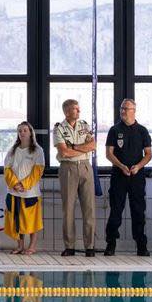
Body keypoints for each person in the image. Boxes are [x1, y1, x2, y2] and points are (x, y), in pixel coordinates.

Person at [104, 99, 152, 257]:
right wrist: (121, 166)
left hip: (136, 176)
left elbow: (148, 154)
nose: (123, 111)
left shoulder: (142, 131)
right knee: (116, 210)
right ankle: (111, 243)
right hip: (119, 175)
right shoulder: (114, 130)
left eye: (126, 108)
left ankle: (141, 245)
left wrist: (138, 166)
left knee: (138, 211)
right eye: (121, 108)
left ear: (134, 111)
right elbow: (109, 153)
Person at [53, 99, 97, 257]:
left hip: (85, 166)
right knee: (68, 209)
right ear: (66, 112)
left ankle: (89, 246)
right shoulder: (59, 128)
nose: (79, 111)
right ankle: (69, 246)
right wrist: (82, 149)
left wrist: (75, 147)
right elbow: (64, 152)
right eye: (75, 109)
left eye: (78, 108)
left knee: (89, 208)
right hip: (68, 168)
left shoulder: (84, 125)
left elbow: (93, 146)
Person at [3, 122, 45, 255]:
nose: (22, 133)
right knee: (16, 220)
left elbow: (38, 171)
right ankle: (20, 246)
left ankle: (32, 246)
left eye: (25, 130)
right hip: (14, 192)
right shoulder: (13, 150)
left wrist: (24, 184)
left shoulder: (37, 150)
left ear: (31, 132)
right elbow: (7, 169)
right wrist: (14, 183)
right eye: (20, 131)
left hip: (30, 193)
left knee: (32, 221)